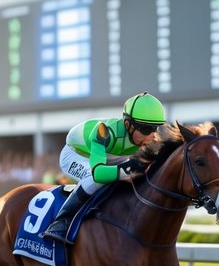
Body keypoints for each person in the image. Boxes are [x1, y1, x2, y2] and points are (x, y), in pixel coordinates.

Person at [42, 92, 166, 245]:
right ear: (128, 125)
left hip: (110, 157)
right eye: (146, 129)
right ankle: (61, 222)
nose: (152, 136)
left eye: (155, 129)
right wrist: (124, 170)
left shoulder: (149, 139)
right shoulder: (104, 132)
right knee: (95, 180)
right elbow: (98, 173)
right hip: (77, 154)